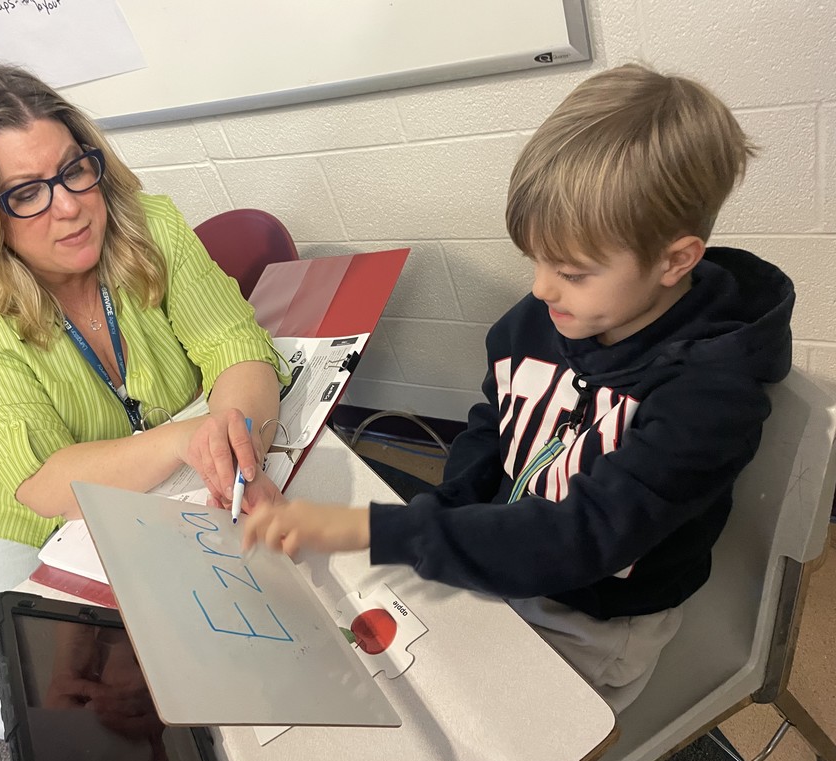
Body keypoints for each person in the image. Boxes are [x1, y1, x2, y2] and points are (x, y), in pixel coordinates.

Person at [241, 63, 795, 713]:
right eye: (535, 260)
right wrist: (452, 504)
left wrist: (376, 531)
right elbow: (494, 415)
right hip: (506, 553)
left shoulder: (709, 397)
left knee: (464, 719)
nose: (539, 289)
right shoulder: (549, 315)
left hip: (596, 619)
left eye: (571, 271)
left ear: (676, 260)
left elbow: (581, 539)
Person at [0, 63, 286, 737]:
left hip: (160, 479)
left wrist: (235, 434)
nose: (68, 205)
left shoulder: (151, 225)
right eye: (25, 191)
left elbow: (239, 350)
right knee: (28, 702)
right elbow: (43, 482)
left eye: (73, 171)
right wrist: (187, 438)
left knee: (223, 657)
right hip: (24, 515)